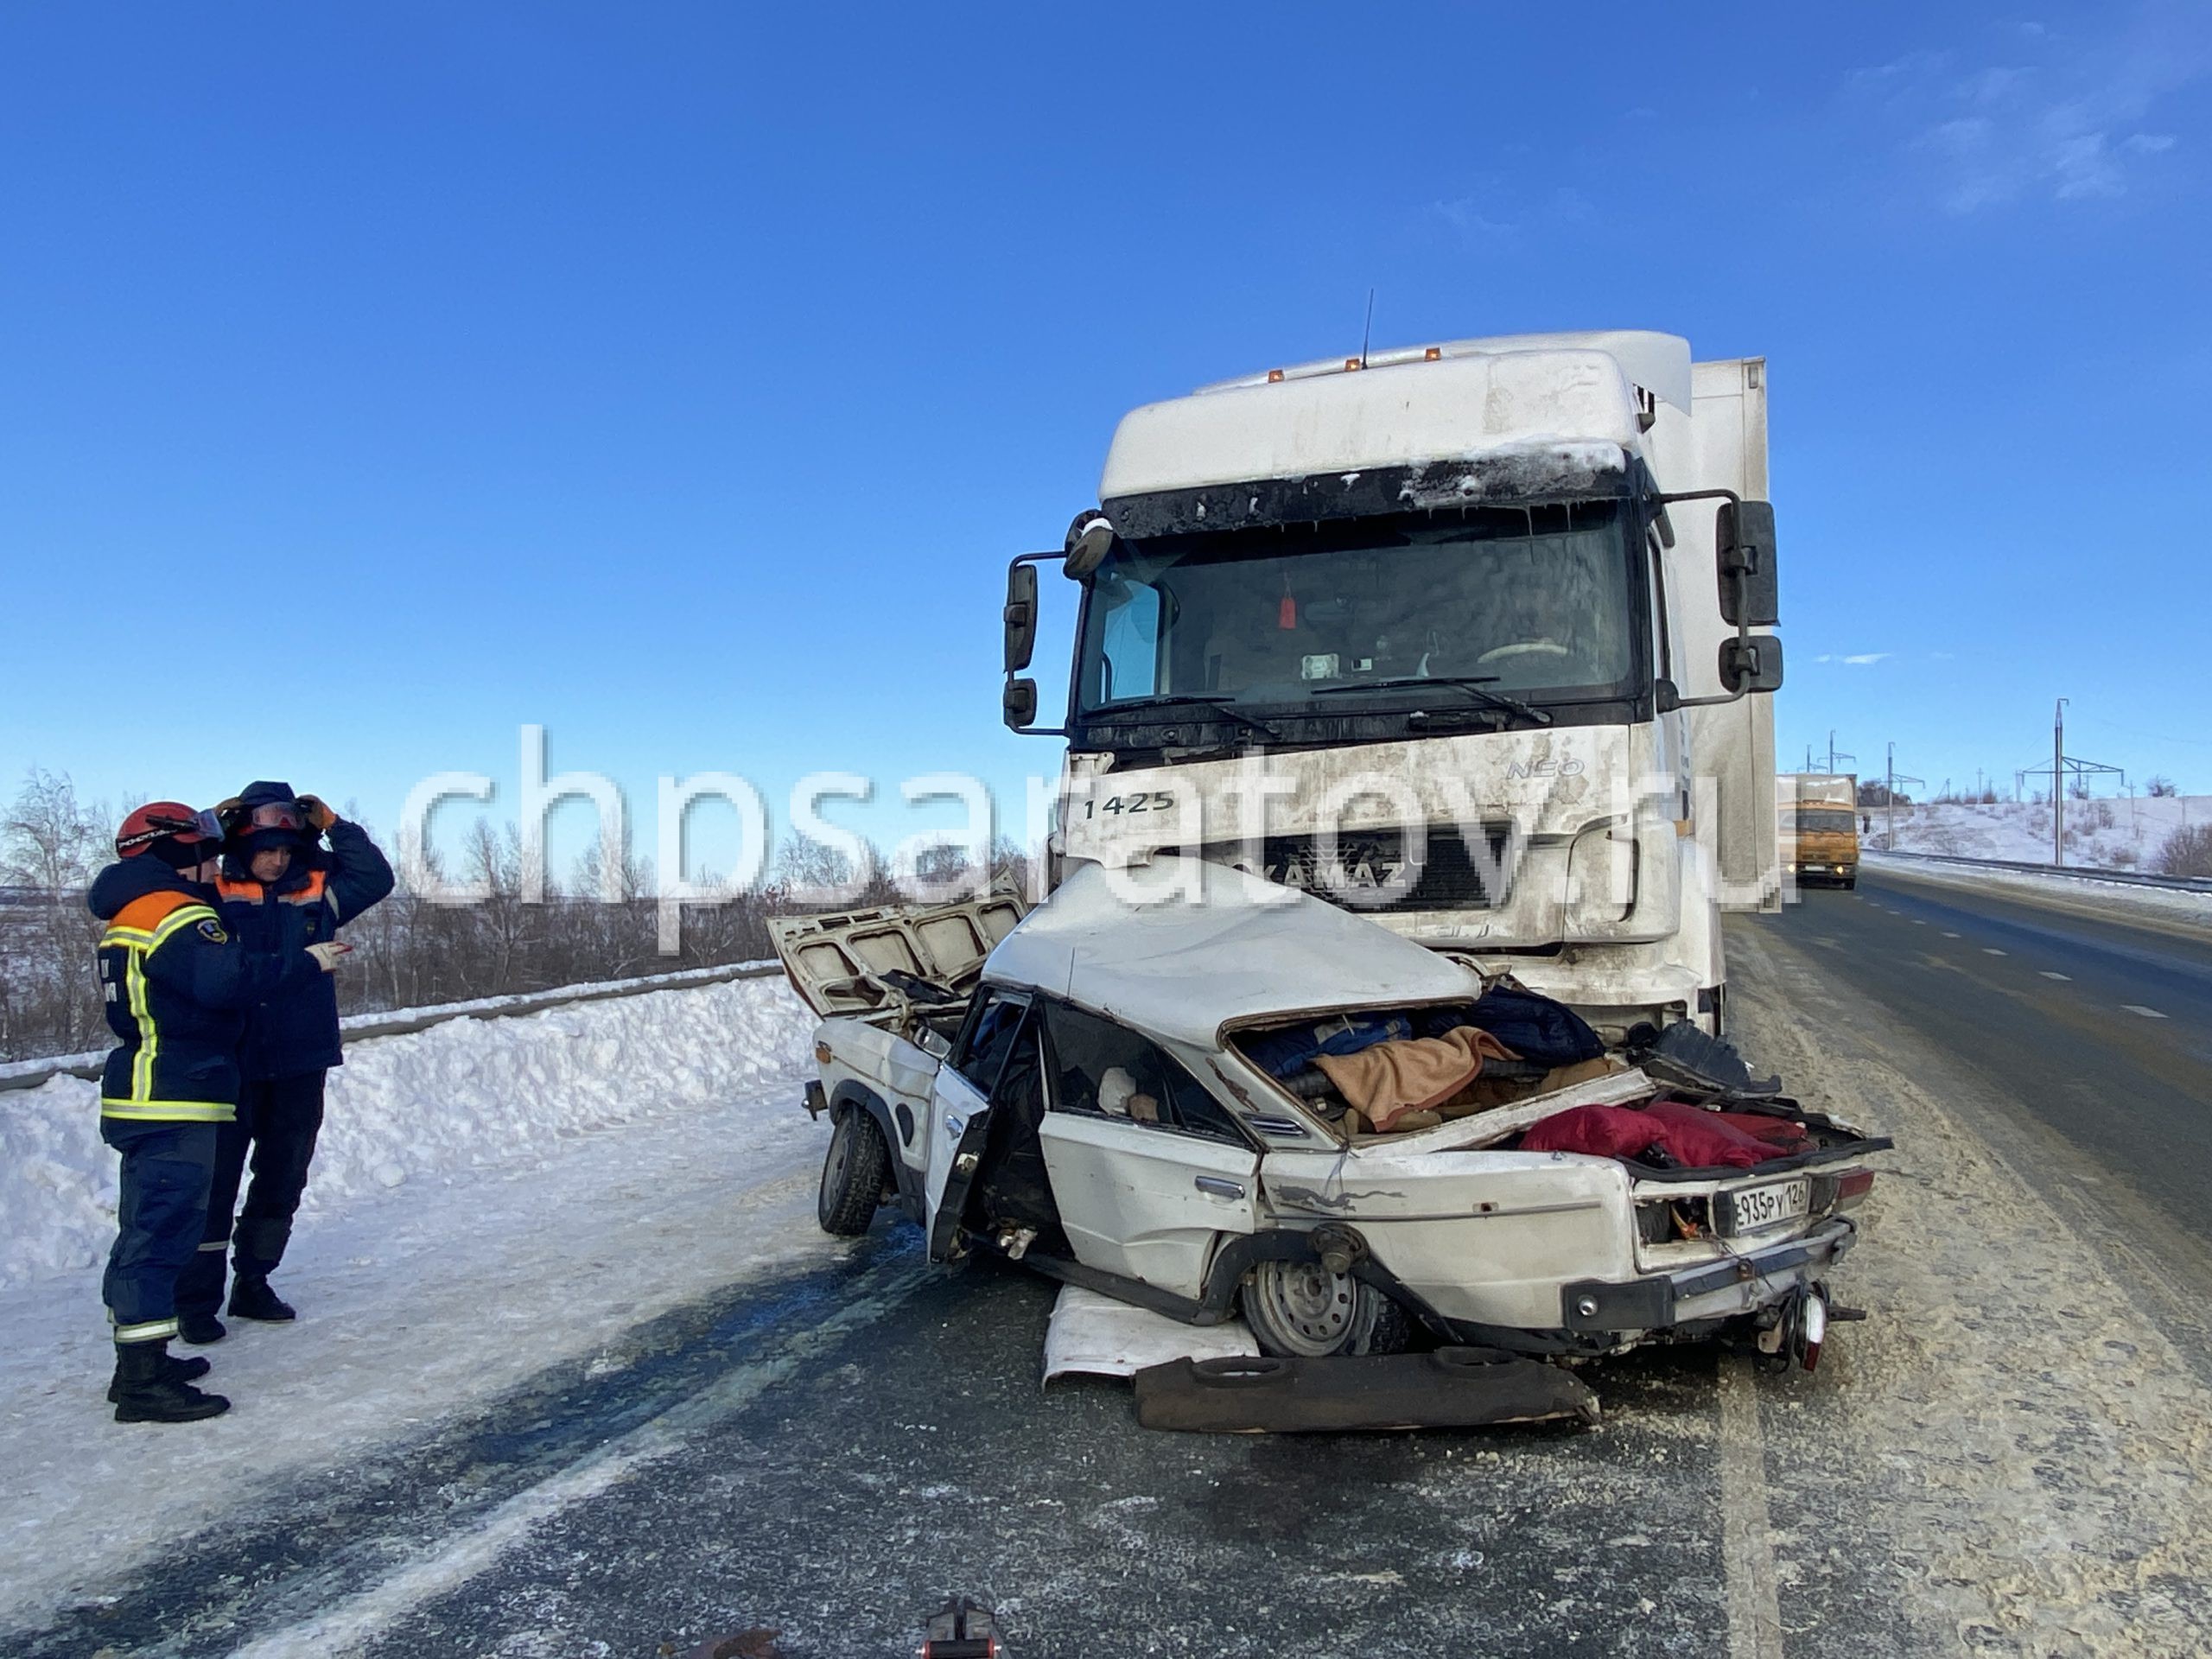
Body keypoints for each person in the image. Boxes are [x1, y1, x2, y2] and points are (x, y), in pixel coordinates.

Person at [87, 804, 344, 1422]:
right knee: (160, 1233)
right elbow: (224, 982)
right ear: (176, 853)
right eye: (202, 848)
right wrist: (309, 961)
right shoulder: (173, 912)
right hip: (174, 1093)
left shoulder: (134, 910)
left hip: (152, 1089)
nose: (211, 860)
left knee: (151, 1229)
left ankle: (145, 1357)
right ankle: (142, 1381)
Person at [174, 783, 394, 1342]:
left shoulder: (317, 890)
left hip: (301, 1059)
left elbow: (375, 877)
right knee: (216, 1185)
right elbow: (170, 874)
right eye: (266, 848)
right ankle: (196, 1302)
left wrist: (332, 824)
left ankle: (253, 1281)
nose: (276, 860)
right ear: (243, 843)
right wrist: (207, 830)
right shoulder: (214, 891)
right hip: (234, 1062)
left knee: (281, 1179)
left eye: (286, 849)